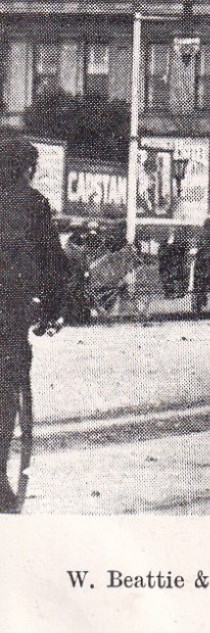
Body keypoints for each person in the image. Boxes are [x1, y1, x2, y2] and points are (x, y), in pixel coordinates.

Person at [0, 136, 72, 513]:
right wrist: (51, 311)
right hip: (9, 318)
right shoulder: (33, 205)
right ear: (28, 170)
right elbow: (55, 267)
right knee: (5, 395)